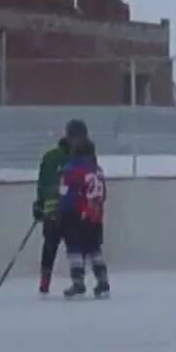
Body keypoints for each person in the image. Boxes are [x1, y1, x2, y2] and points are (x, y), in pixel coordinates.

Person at [33, 119, 90, 294]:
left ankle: (75, 281)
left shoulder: (80, 158)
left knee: (69, 246)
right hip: (62, 211)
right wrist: (39, 203)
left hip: (67, 211)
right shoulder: (59, 158)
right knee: (58, 246)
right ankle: (47, 281)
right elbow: (43, 183)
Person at [59, 139, 109, 299]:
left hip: (78, 215)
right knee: (94, 249)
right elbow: (104, 194)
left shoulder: (73, 170)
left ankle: (78, 282)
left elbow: (67, 193)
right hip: (95, 216)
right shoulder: (98, 170)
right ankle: (103, 281)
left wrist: (62, 210)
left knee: (74, 248)